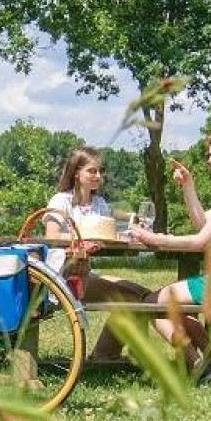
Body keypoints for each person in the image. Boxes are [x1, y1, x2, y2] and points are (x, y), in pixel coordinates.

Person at [110, 129, 211, 377]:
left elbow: (200, 241)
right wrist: (188, 186)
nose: (210, 159)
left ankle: (197, 364)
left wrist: (157, 239)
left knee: (152, 304)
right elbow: (203, 225)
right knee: (173, 307)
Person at [42, 146, 152, 362]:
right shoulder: (60, 201)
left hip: (84, 274)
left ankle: (107, 353)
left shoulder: (99, 204)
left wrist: (129, 236)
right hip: (62, 277)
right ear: (76, 173)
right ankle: (115, 354)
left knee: (142, 293)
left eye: (100, 171)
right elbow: (52, 238)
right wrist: (83, 241)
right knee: (132, 298)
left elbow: (105, 235)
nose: (98, 176)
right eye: (92, 171)